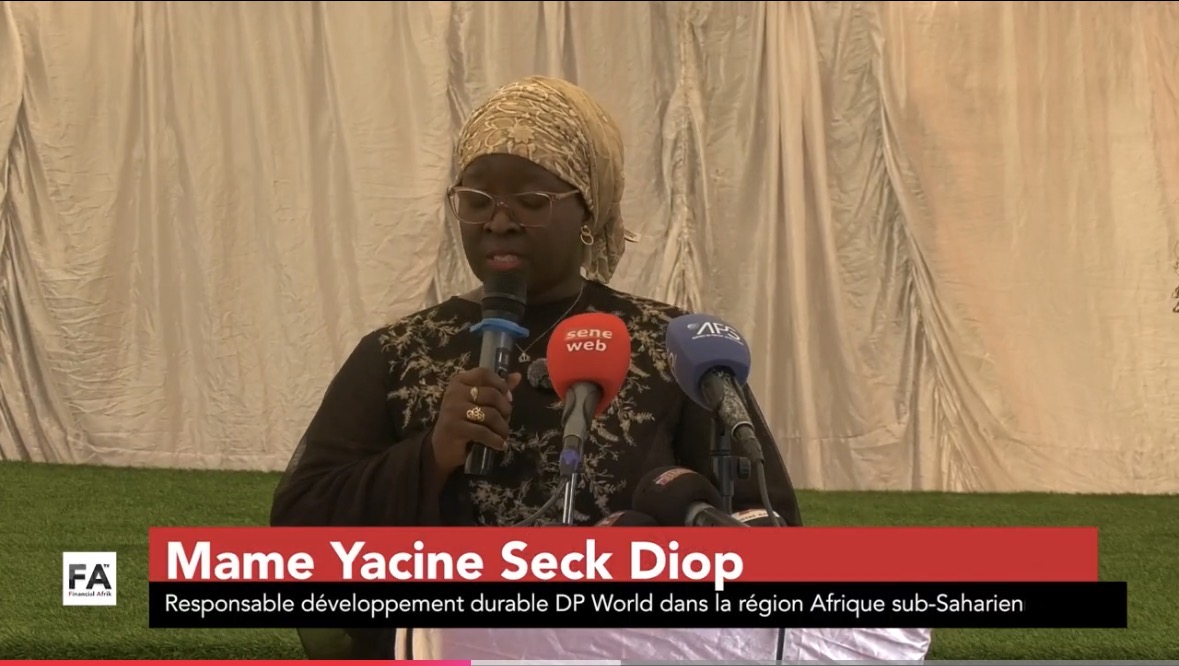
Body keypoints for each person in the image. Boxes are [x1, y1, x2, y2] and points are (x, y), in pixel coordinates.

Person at [270, 74, 803, 659]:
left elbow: (765, 527)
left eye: (530, 202)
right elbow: (300, 530)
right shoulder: (399, 352)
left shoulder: (671, 344)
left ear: (587, 210)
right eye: (477, 202)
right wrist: (430, 457)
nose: (498, 222)